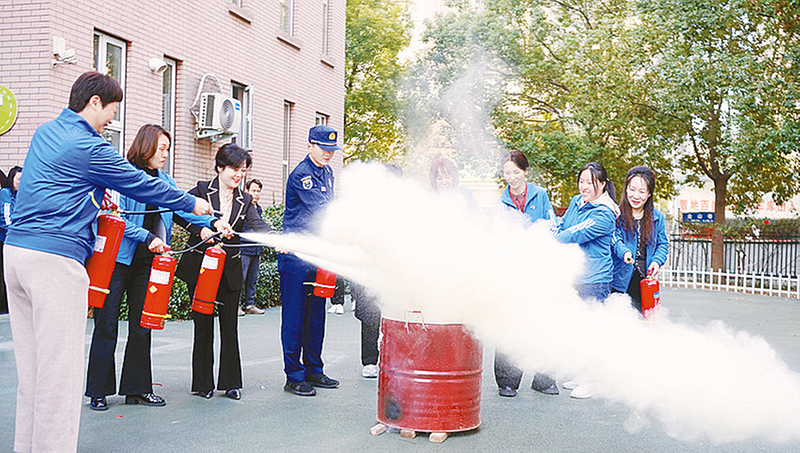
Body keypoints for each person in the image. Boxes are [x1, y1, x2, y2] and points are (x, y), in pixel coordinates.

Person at [4, 71, 212, 453]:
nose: (111, 121)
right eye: (111, 111)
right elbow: (140, 183)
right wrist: (191, 202)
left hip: (16, 253)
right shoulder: (89, 146)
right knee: (59, 375)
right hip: (54, 260)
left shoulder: (46, 132)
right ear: (94, 102)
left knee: (32, 370)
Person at [84, 125, 222, 411]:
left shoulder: (166, 180)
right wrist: (148, 238)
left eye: (168, 149)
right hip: (117, 260)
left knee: (143, 325)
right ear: (146, 147)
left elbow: (182, 208)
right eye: (161, 148)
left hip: (148, 262)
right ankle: (98, 391)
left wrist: (212, 222)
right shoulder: (123, 175)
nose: (165, 154)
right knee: (106, 325)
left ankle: (137, 389)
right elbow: (115, 219)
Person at [174, 143, 272, 401]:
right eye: (234, 169)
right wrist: (200, 229)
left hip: (230, 270)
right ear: (219, 167)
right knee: (203, 325)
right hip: (201, 268)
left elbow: (257, 223)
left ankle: (231, 383)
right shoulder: (201, 190)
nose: (239, 174)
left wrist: (274, 237)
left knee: (230, 327)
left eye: (243, 170)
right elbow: (177, 211)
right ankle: (202, 383)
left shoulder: (245, 200)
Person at [279, 124, 341, 396]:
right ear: (310, 145)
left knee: (316, 315)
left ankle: (314, 370)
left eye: (332, 149)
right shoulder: (302, 175)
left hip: (317, 254)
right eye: (324, 148)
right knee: (295, 317)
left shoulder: (327, 172)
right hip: (296, 257)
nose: (328, 153)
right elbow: (323, 210)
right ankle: (294, 376)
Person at [494, 150, 559, 398]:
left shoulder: (540, 195)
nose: (511, 177)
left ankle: (544, 380)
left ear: (525, 171)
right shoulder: (502, 203)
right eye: (507, 173)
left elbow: (552, 227)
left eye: (516, 172)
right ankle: (507, 381)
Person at [555, 161, 619, 399]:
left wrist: (548, 241)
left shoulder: (604, 213)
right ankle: (582, 375)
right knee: (577, 331)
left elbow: (575, 233)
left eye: (590, 182)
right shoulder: (576, 201)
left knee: (591, 332)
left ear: (602, 185)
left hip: (595, 280)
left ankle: (592, 381)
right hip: (576, 277)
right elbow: (564, 225)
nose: (584, 186)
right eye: (581, 181)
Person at [612, 166, 669, 314]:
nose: (636, 196)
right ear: (626, 189)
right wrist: (624, 252)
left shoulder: (657, 217)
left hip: (645, 281)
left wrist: (657, 261)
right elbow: (614, 239)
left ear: (649, 194)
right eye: (632, 189)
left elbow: (663, 244)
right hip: (619, 280)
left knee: (644, 321)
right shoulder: (616, 214)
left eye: (642, 191)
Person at [239, 178, 266, 316]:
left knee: (252, 279)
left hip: (256, 248)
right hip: (244, 247)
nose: (256, 194)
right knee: (241, 278)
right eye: (253, 190)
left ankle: (250, 304)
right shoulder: (242, 207)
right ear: (246, 191)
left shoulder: (258, 209)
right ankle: (236, 306)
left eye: (258, 191)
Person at [0, 165, 22, 314]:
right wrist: (14, 236)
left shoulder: (23, 195)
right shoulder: (5, 193)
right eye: (18, 179)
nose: (21, 182)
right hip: (8, 240)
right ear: (11, 179)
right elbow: (5, 218)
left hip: (19, 241)